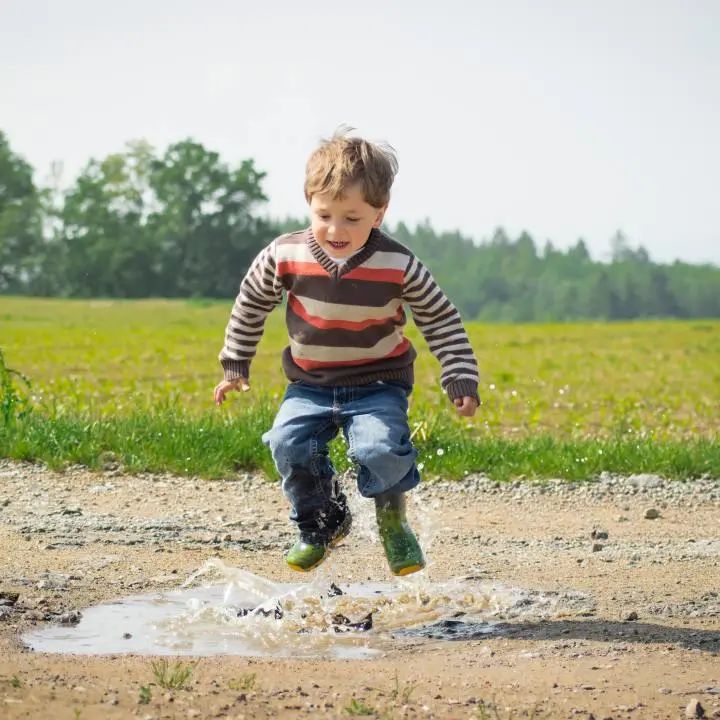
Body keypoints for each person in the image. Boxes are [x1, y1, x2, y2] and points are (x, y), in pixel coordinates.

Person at [214, 129, 479, 576]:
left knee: (378, 449)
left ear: (380, 212)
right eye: (325, 214)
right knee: (287, 443)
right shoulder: (285, 254)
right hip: (309, 384)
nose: (337, 230)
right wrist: (235, 363)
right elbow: (251, 303)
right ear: (308, 201)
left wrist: (459, 377)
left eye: (352, 218)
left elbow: (440, 319)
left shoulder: (399, 264)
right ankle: (322, 522)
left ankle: (393, 520)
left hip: (379, 384)